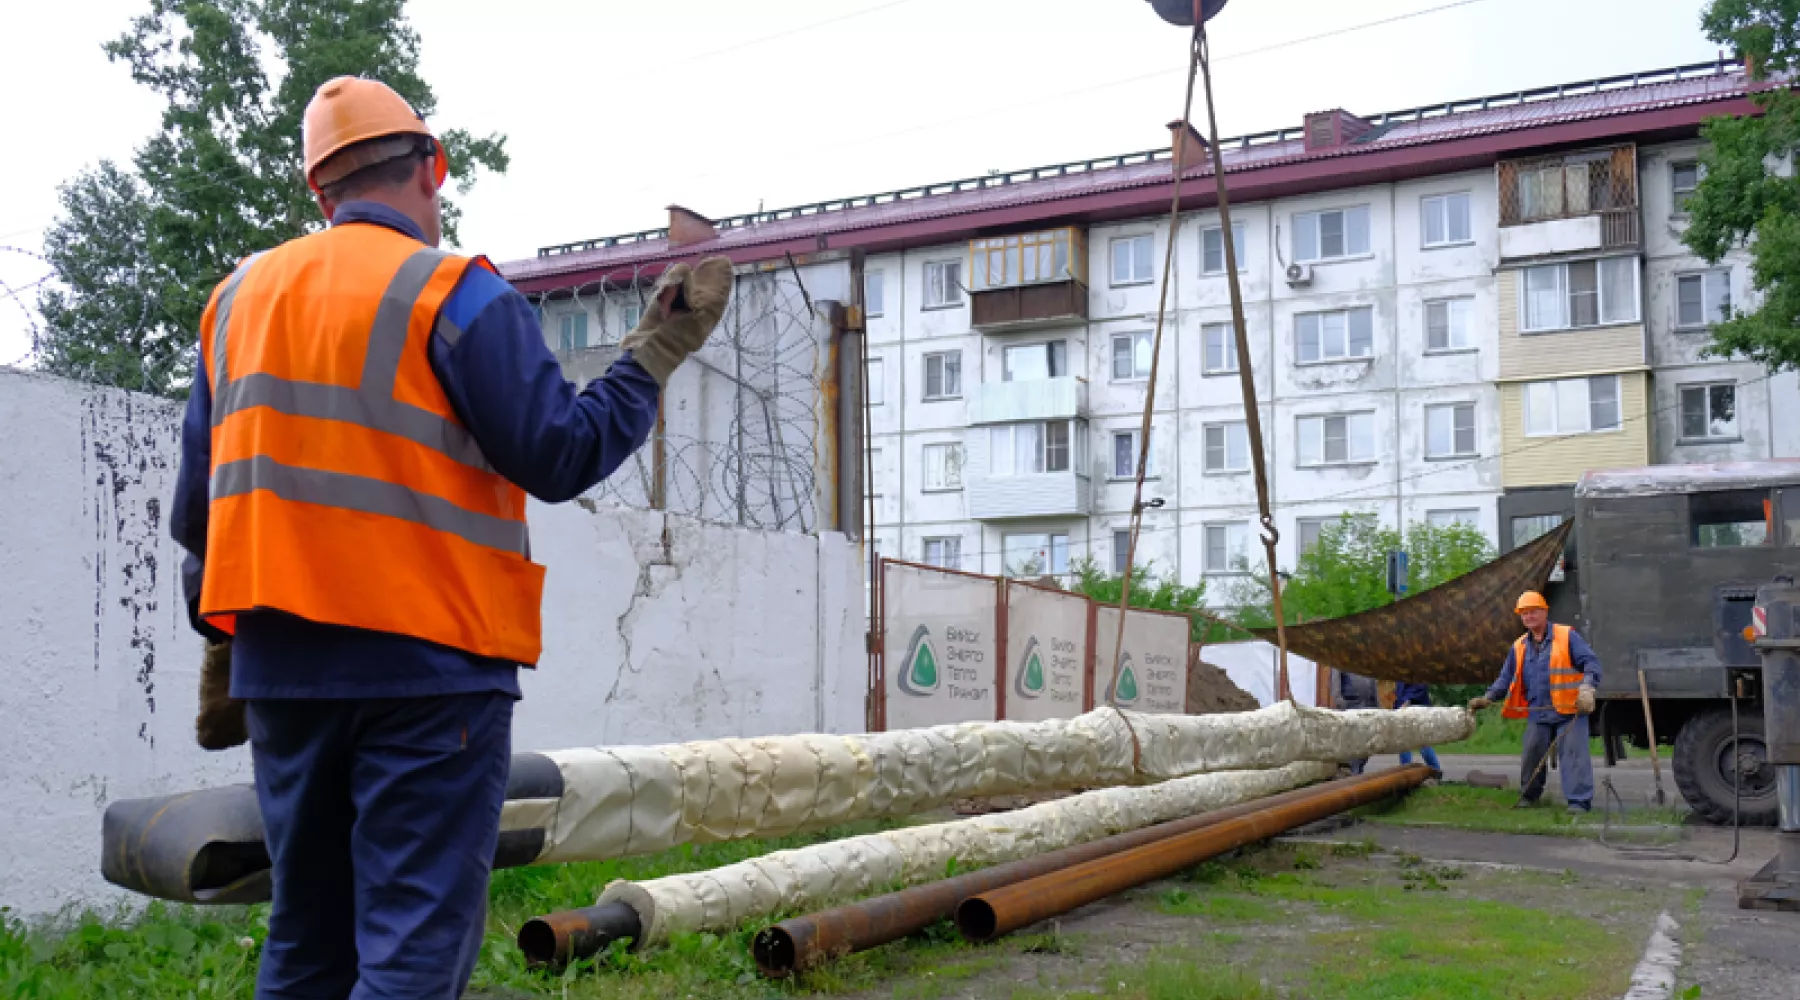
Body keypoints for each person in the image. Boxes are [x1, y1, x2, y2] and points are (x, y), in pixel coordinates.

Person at [168, 76, 733, 999]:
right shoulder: (450, 292)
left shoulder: (236, 303)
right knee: (413, 952)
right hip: (430, 681)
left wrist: (227, 629)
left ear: (322, 192)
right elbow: (559, 452)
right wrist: (654, 354)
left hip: (283, 678)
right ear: (432, 167)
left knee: (307, 943)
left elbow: (200, 513)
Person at [1467, 591, 1601, 813]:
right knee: (1531, 754)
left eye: (1533, 612)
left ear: (1544, 612)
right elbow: (1505, 677)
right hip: (1538, 712)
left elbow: (1591, 663)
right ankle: (1529, 796)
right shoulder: (1519, 646)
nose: (1529, 617)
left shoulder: (1566, 636)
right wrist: (1488, 697)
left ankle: (1579, 802)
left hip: (1569, 710)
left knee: (1574, 756)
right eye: (1524, 614)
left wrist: (1587, 688)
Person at [1335, 669, 1379, 775]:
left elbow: (1373, 684)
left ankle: (1359, 767)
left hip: (1368, 705)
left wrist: (1377, 706)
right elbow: (1335, 683)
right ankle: (1353, 771)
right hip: (1351, 705)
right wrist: (1341, 703)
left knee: (1367, 742)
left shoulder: (1365, 662)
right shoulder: (1339, 661)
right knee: (1354, 742)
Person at [1393, 681, 1441, 772]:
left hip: (1418, 710)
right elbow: (1399, 692)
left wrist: (1407, 700)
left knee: (1423, 743)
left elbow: (1420, 686)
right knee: (1404, 744)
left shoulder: (1416, 671)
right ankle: (1405, 771)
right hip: (1402, 711)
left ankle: (1436, 770)